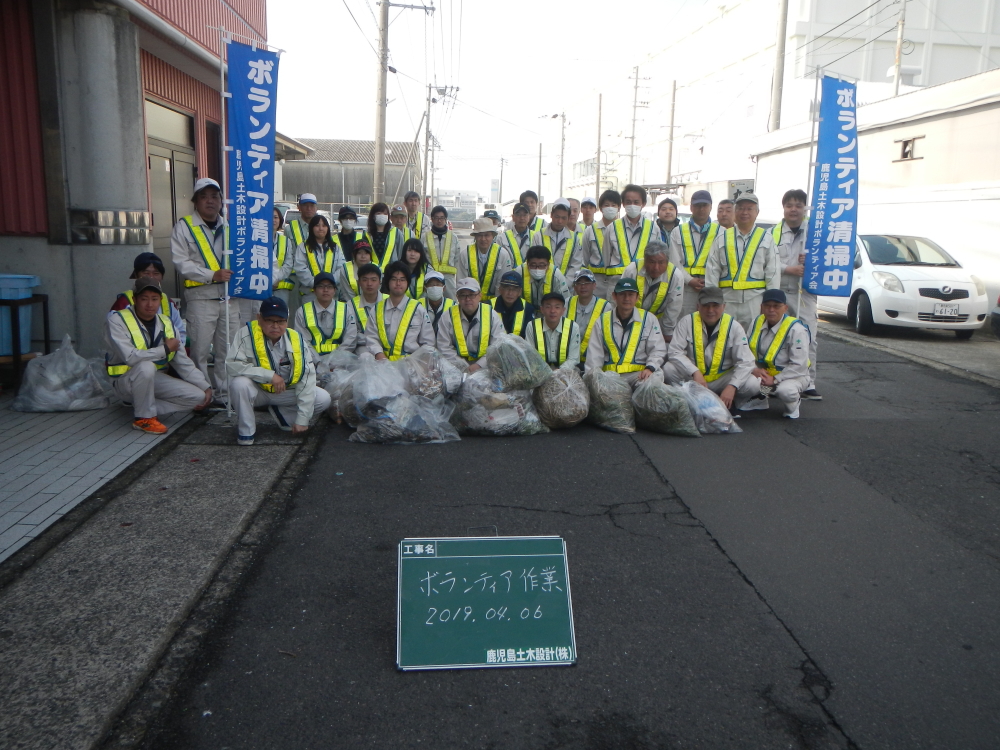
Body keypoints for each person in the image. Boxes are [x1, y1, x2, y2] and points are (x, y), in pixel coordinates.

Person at [104, 277, 211, 433]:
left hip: (153, 379)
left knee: (198, 397)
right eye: (144, 299)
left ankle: (146, 406)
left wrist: (205, 386)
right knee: (145, 366)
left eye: (154, 299)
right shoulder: (116, 320)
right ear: (134, 299)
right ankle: (144, 418)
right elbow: (131, 357)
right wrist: (165, 349)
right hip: (124, 382)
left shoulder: (166, 322)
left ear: (160, 300)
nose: (150, 304)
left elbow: (182, 361)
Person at [227, 296, 331, 445]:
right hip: (258, 392)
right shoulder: (245, 334)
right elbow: (232, 365)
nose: (275, 326)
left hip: (285, 392)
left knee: (323, 398)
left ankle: (284, 414)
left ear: (287, 321)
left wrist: (303, 419)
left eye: (280, 321)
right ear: (259, 318)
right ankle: (246, 432)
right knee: (239, 384)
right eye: (270, 320)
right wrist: (269, 376)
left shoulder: (296, 339)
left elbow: (307, 378)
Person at [169, 177, 240, 397]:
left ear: (221, 201)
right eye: (204, 197)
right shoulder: (184, 227)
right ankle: (202, 393)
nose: (210, 201)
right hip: (201, 299)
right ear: (195, 201)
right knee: (199, 351)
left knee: (227, 351)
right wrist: (212, 275)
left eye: (214, 196)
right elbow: (181, 263)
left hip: (230, 299)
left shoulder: (231, 226)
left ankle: (225, 394)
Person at [664, 287, 758, 410]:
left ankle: (731, 400)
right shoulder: (686, 322)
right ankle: (687, 400)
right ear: (698, 306)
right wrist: (694, 372)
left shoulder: (734, 327)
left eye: (715, 306)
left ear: (724, 306)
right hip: (695, 379)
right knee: (668, 369)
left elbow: (746, 361)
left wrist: (732, 386)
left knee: (752, 384)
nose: (710, 310)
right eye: (706, 305)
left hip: (721, 379)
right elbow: (675, 352)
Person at [704, 193, 780, 331]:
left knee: (753, 341)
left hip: (755, 301)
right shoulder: (722, 237)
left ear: (757, 212)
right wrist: (713, 302)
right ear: (735, 211)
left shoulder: (766, 238)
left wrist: (771, 305)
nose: (744, 212)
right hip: (726, 301)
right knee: (724, 340)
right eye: (740, 208)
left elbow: (773, 273)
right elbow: (712, 270)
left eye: (749, 208)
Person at [773, 188, 821, 400]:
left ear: (805, 208)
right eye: (789, 205)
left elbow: (826, 260)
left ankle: (807, 381)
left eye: (798, 205)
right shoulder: (772, 233)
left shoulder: (815, 232)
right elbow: (768, 262)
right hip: (782, 291)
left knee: (808, 335)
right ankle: (777, 379)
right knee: (779, 336)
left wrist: (809, 264)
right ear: (783, 208)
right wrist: (788, 268)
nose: (793, 210)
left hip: (805, 292)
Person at [585, 277, 667, 389]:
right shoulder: (602, 321)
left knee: (654, 381)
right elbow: (594, 357)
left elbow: (657, 349)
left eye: (631, 294)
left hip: (639, 375)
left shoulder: (649, 319)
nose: (627, 298)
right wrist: (594, 380)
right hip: (611, 377)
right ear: (614, 296)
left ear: (637, 297)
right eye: (622, 294)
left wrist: (650, 368)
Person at [744, 289, 810, 419]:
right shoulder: (756, 322)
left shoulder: (797, 330)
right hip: (765, 374)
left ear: (785, 308)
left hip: (793, 375)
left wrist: (775, 379)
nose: (771, 310)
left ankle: (793, 405)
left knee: (786, 391)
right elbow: (745, 351)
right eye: (767, 306)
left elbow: (799, 365)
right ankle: (761, 399)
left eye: (776, 306)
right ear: (761, 307)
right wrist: (754, 369)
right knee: (745, 385)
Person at [110, 252, 186, 342]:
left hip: (166, 354)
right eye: (146, 273)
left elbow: (181, 334)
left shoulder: (169, 304)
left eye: (156, 273)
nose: (151, 277)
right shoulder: (123, 302)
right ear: (136, 275)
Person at [594, 185, 654, 300]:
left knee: (639, 317)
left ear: (644, 204)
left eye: (636, 202)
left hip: (643, 284)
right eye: (628, 202)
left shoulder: (653, 228)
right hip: (616, 284)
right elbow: (606, 257)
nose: (632, 205)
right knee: (613, 317)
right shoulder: (612, 228)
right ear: (623, 204)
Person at [617, 241, 684, 342]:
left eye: (661, 262)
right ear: (645, 259)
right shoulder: (632, 270)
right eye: (652, 262)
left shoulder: (676, 276)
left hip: (659, 323)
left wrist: (667, 331)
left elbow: (673, 307)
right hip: (632, 320)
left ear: (667, 261)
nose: (656, 268)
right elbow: (620, 298)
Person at [367, 261, 435, 360]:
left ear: (407, 283)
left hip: (411, 364)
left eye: (402, 280)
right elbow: (371, 337)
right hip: (383, 364)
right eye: (394, 279)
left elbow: (428, 342)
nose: (398, 283)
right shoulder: (377, 309)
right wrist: (379, 355)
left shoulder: (418, 309)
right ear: (387, 282)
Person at [436, 277, 506, 372]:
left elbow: (497, 346)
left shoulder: (492, 315)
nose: (467, 299)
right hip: (455, 366)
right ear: (457, 297)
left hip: (486, 366)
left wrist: (479, 365)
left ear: (480, 296)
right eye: (462, 295)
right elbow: (443, 346)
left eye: (472, 295)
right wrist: (462, 366)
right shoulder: (447, 316)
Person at [669, 189, 719, 316]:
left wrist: (709, 281)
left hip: (712, 287)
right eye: (697, 205)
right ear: (691, 207)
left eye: (704, 205)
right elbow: (674, 263)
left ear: (711, 207)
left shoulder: (721, 232)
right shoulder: (677, 232)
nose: (701, 209)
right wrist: (689, 280)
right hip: (686, 288)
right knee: (685, 324)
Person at [293, 272, 357, 363]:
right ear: (314, 290)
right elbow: (302, 341)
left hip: (340, 361)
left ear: (335, 290)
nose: (325, 290)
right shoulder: (302, 311)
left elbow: (351, 339)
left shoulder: (346, 309)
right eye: (321, 286)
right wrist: (318, 362)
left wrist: (335, 361)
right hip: (311, 362)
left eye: (329, 287)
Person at [457, 217, 513, 300]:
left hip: (494, 302)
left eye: (487, 235)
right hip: (470, 302)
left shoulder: (502, 254)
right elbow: (462, 282)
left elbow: (502, 284)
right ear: (475, 236)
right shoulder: (465, 254)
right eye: (479, 235)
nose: (483, 239)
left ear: (493, 236)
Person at [293, 214, 344, 303]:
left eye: (324, 226)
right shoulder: (303, 247)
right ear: (311, 228)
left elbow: (342, 268)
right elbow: (300, 268)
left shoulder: (335, 247)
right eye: (317, 225)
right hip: (310, 293)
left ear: (327, 228)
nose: (321, 228)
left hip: (331, 294)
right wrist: (316, 284)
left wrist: (330, 284)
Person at [525, 292, 581, 370]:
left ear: (563, 310)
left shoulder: (573, 327)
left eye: (557, 307)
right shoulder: (532, 326)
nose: (552, 311)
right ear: (542, 309)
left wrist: (558, 373)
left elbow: (573, 359)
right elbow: (530, 356)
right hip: (539, 371)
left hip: (565, 371)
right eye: (548, 307)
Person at [530, 198, 583, 279]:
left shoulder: (575, 238)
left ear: (568, 218)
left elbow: (575, 265)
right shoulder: (539, 236)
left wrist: (564, 284)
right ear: (551, 215)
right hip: (543, 285)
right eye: (557, 217)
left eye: (563, 218)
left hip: (565, 286)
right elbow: (534, 262)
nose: (560, 221)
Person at [566, 269, 609, 364]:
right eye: (579, 283)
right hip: (568, 359)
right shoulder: (567, 303)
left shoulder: (606, 307)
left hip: (593, 359)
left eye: (587, 282)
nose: (583, 286)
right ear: (574, 287)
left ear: (594, 285)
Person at [582, 190, 621, 298]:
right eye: (606, 205)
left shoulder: (624, 230)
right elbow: (584, 259)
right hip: (596, 282)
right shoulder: (590, 231)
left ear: (619, 208)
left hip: (618, 280)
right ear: (600, 208)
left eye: (613, 205)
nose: (610, 208)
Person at [422, 205, 458, 300]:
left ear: (446, 219)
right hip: (430, 278)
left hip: (449, 279)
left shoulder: (453, 237)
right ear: (432, 219)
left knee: (451, 305)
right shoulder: (424, 237)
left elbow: (457, 259)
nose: (439, 221)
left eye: (442, 218)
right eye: (436, 218)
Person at [350, 262, 384, 352]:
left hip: (387, 345)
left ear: (380, 282)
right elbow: (352, 334)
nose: (369, 284)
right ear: (359, 282)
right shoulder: (350, 305)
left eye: (373, 280)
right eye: (365, 280)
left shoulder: (389, 301)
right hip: (363, 346)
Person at [492, 270, 534, 337]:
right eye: (507, 289)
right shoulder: (488, 306)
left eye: (514, 289)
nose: (510, 293)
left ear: (520, 292)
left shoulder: (528, 309)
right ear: (500, 289)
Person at [365, 202, 403, 271]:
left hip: (391, 272)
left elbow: (400, 253)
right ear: (373, 216)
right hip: (371, 272)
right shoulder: (367, 234)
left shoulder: (396, 232)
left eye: (385, 214)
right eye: (379, 213)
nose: (382, 216)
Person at [271, 206, 296, 307]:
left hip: (280, 287)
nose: (273, 220)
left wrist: (275, 279)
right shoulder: (255, 240)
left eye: (276, 217)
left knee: (280, 318)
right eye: (270, 217)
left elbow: (288, 264)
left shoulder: (286, 241)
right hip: (261, 287)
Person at [497, 203, 533, 267]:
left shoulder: (536, 237)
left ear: (529, 217)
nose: (522, 218)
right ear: (513, 217)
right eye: (518, 215)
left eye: (525, 215)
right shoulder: (502, 238)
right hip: (509, 276)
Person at [422, 269, 454, 336]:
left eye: (438, 284)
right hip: (424, 344)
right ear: (425, 289)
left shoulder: (453, 306)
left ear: (444, 288)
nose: (434, 287)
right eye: (430, 284)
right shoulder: (418, 305)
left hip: (446, 343)